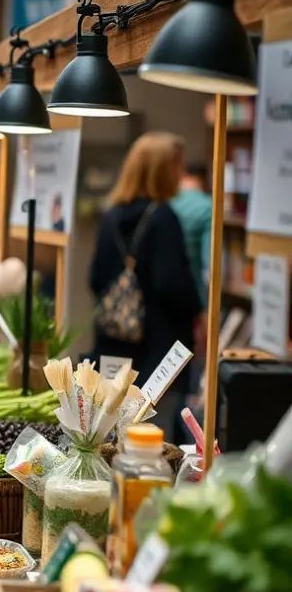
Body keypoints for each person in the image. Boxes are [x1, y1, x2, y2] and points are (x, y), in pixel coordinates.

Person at [89, 132, 202, 439]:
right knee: (152, 440)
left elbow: (95, 278)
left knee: (110, 435)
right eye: (177, 166)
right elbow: (171, 282)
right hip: (157, 351)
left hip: (113, 348)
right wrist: (198, 308)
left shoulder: (111, 216)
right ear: (162, 170)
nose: (181, 174)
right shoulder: (163, 218)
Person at [169, 161, 212, 307]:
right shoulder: (208, 206)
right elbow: (212, 262)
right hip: (195, 293)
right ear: (204, 180)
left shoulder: (166, 202)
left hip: (166, 292)